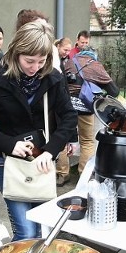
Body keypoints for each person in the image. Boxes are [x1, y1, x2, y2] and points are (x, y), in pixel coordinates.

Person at [0, 20, 77, 241]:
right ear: (16, 53)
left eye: (41, 61)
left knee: (43, 229)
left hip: (41, 160)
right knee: (25, 232)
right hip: (7, 161)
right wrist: (8, 144)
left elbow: (69, 117)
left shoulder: (52, 78)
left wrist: (51, 150)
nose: (35, 68)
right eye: (29, 61)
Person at [64, 46, 119, 174]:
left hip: (66, 106)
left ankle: (61, 174)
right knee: (87, 141)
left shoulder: (69, 62)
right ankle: (84, 173)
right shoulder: (95, 65)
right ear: (93, 55)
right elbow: (114, 91)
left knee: (63, 139)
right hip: (85, 106)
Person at [54, 37, 75, 185]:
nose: (67, 53)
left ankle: (62, 172)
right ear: (58, 46)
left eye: (69, 50)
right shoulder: (55, 60)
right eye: (65, 50)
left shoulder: (63, 60)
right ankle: (62, 172)